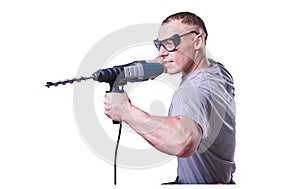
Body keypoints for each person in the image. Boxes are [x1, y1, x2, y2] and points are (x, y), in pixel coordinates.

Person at [103, 11, 236, 184]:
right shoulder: (218, 72)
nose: (163, 52)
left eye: (171, 43)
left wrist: (125, 111)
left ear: (198, 41)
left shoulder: (193, 89)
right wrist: (157, 67)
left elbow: (183, 141)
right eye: (160, 45)